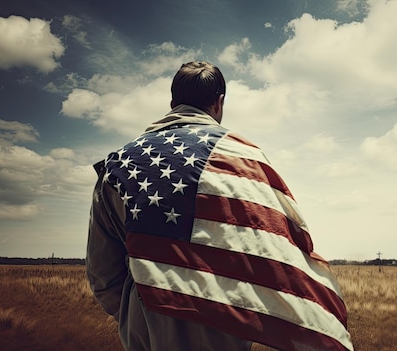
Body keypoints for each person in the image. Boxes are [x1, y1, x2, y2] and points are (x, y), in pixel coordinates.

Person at [86, 61, 353, 351]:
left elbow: (104, 275)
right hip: (224, 334)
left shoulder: (120, 166)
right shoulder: (245, 158)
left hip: (145, 334)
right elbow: (277, 245)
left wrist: (136, 316)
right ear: (219, 102)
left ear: (173, 102)